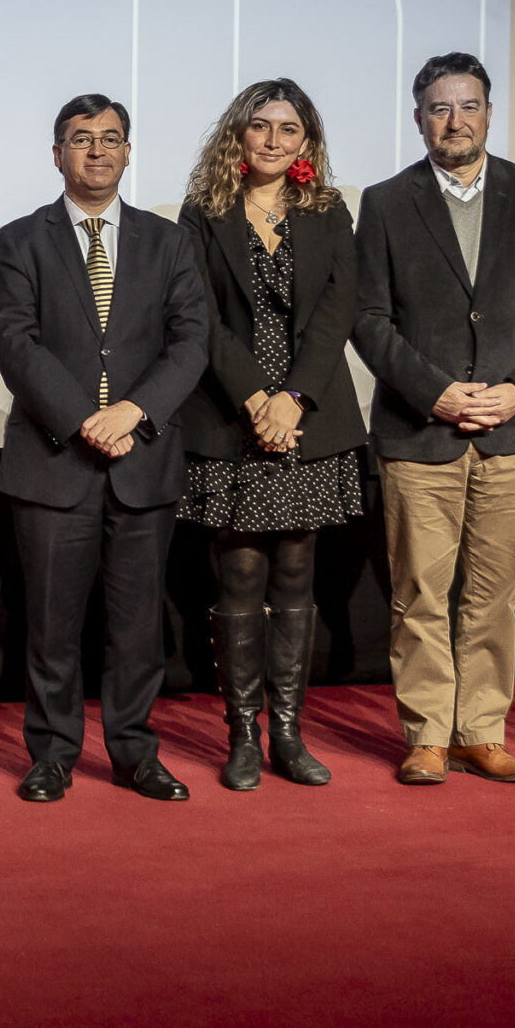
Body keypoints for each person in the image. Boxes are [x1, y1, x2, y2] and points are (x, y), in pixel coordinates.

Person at [353, 53, 515, 787]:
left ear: (489, 112)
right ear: (418, 118)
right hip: (421, 432)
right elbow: (369, 318)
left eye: (468, 105)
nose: (455, 121)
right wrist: (437, 393)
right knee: (419, 595)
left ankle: (481, 731)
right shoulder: (386, 201)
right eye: (439, 108)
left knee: (495, 593)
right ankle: (427, 735)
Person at [0, 94, 209, 803]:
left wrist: (133, 413)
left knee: (138, 629)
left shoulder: (168, 241)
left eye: (110, 138)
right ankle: (52, 754)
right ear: (57, 153)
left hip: (143, 458)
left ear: (128, 151)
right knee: (51, 627)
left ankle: (134, 752)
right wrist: (86, 418)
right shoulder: (21, 240)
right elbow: (16, 344)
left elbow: (191, 341)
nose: (97, 150)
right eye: (81, 138)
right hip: (54, 461)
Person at [175, 79, 366, 790]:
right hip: (234, 417)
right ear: (239, 134)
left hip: (308, 417)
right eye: (261, 126)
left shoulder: (328, 209)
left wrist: (292, 400)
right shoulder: (203, 212)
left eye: (290, 129)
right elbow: (199, 316)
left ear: (306, 141)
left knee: (295, 572)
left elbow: (337, 311)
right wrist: (257, 399)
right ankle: (242, 735)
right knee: (241, 573)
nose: (274, 140)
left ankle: (287, 731)